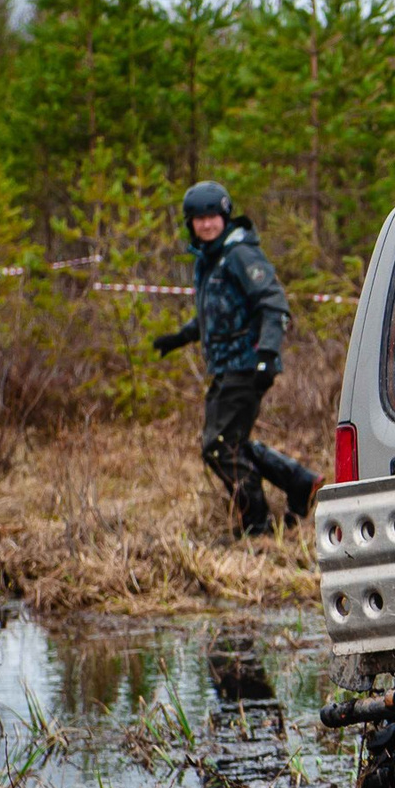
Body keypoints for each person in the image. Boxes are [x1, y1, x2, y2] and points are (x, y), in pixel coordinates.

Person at [151, 182, 320, 536]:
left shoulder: (240, 255)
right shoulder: (210, 259)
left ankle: (257, 526)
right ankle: (299, 482)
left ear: (224, 217)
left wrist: (267, 355)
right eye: (199, 218)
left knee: (219, 447)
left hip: (248, 364)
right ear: (190, 223)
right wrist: (180, 337)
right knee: (232, 443)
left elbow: (274, 305)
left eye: (212, 216)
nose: (207, 224)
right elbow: (215, 314)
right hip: (227, 366)